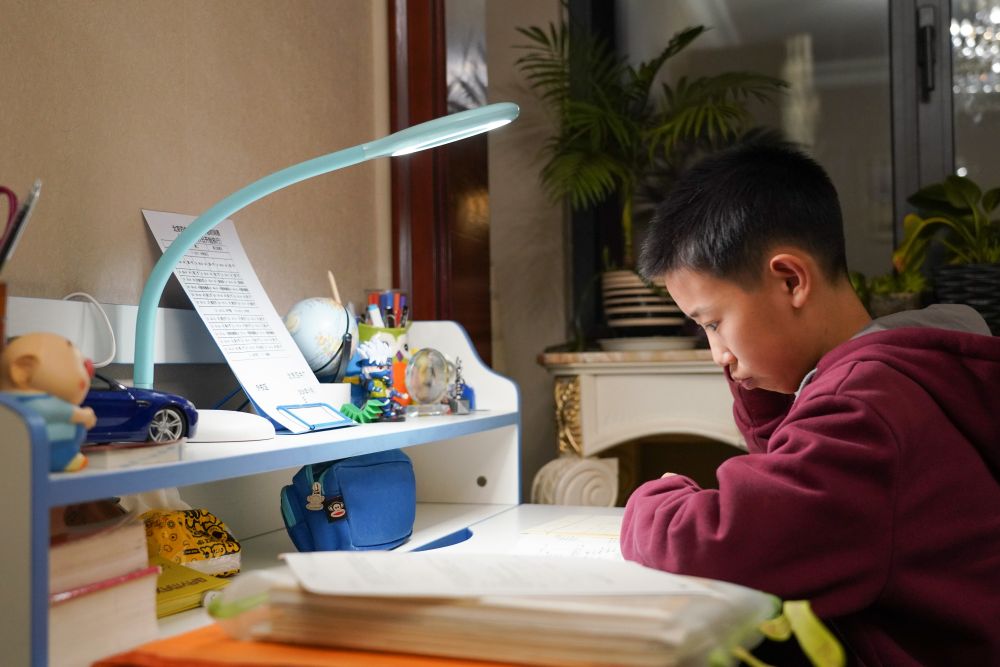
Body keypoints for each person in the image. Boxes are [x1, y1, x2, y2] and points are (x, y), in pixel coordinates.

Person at [620, 135, 1000, 665]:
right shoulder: (895, 376)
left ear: (791, 280)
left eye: (713, 323)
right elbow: (795, 488)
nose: (717, 354)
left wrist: (650, 500)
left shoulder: (866, 410)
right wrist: (762, 387)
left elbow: (717, 544)